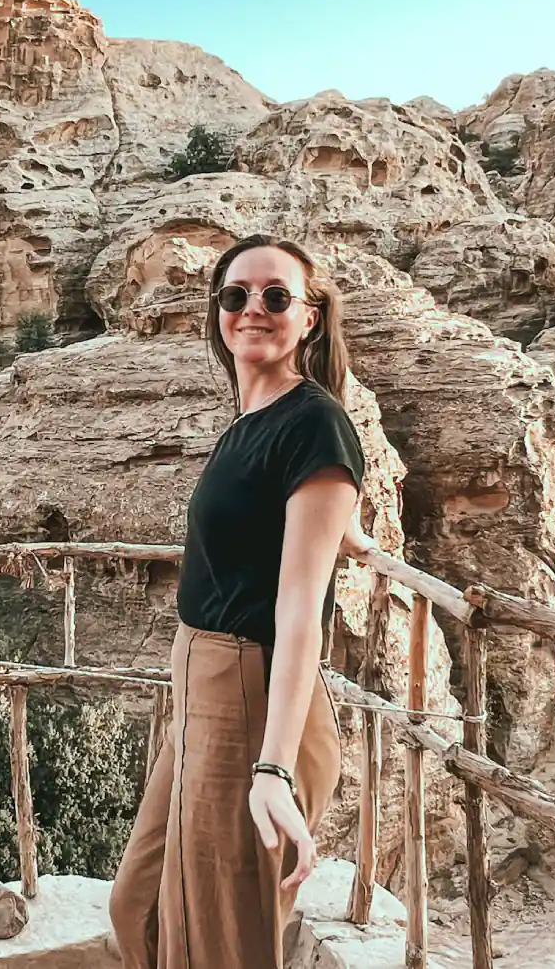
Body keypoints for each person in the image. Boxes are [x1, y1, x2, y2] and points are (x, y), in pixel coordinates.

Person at [109, 233, 375, 968]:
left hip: (250, 694)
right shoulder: (256, 419)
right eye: (236, 295)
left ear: (311, 318)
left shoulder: (314, 425)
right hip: (203, 685)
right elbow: (307, 514)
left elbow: (298, 615)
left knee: (221, 947)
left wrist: (274, 769)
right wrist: (350, 527)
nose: (252, 308)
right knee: (141, 908)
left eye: (276, 296)